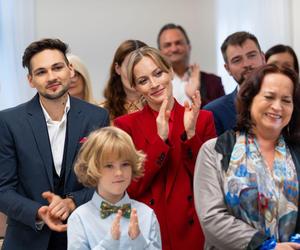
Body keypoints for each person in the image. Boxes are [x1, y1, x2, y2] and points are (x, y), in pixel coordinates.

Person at [0, 38, 109, 250]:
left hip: (83, 237)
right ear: (30, 80)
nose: (51, 77)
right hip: (26, 239)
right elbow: (3, 189)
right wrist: (38, 212)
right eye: (41, 72)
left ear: (70, 70)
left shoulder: (97, 117)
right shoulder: (8, 122)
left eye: (57, 67)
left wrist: (71, 202)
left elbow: (103, 179)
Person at [114, 46, 216, 250]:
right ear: (135, 87)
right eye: (143, 80)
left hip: (194, 231)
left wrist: (191, 134)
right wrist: (160, 141)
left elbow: (210, 182)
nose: (154, 84)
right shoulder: (125, 126)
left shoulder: (203, 118)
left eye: (158, 73)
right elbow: (130, 187)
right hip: (148, 231)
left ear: (169, 71)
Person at [194, 64, 300, 250]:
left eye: (286, 100)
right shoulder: (215, 150)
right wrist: (266, 246)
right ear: (250, 99)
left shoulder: (296, 151)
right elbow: (212, 218)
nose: (277, 106)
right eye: (269, 97)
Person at [67, 126, 161, 249]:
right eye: (109, 166)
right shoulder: (79, 218)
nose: (119, 173)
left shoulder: (147, 215)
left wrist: (139, 242)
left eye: (125, 164)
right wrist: (109, 244)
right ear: (92, 168)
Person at [203, 31, 265, 136]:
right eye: (237, 60)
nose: (246, 64)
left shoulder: (289, 102)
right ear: (228, 69)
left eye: (251, 56)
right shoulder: (213, 112)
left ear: (263, 58)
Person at [157, 23, 225, 107]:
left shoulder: (213, 82)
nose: (174, 49)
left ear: (189, 47)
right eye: (167, 45)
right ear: (159, 52)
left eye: (178, 43)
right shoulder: (154, 85)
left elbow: (221, 116)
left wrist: (195, 97)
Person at [101, 40, 147, 121]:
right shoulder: (101, 111)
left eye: (141, 67)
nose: (134, 74)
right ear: (118, 68)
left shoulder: (161, 107)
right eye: (129, 66)